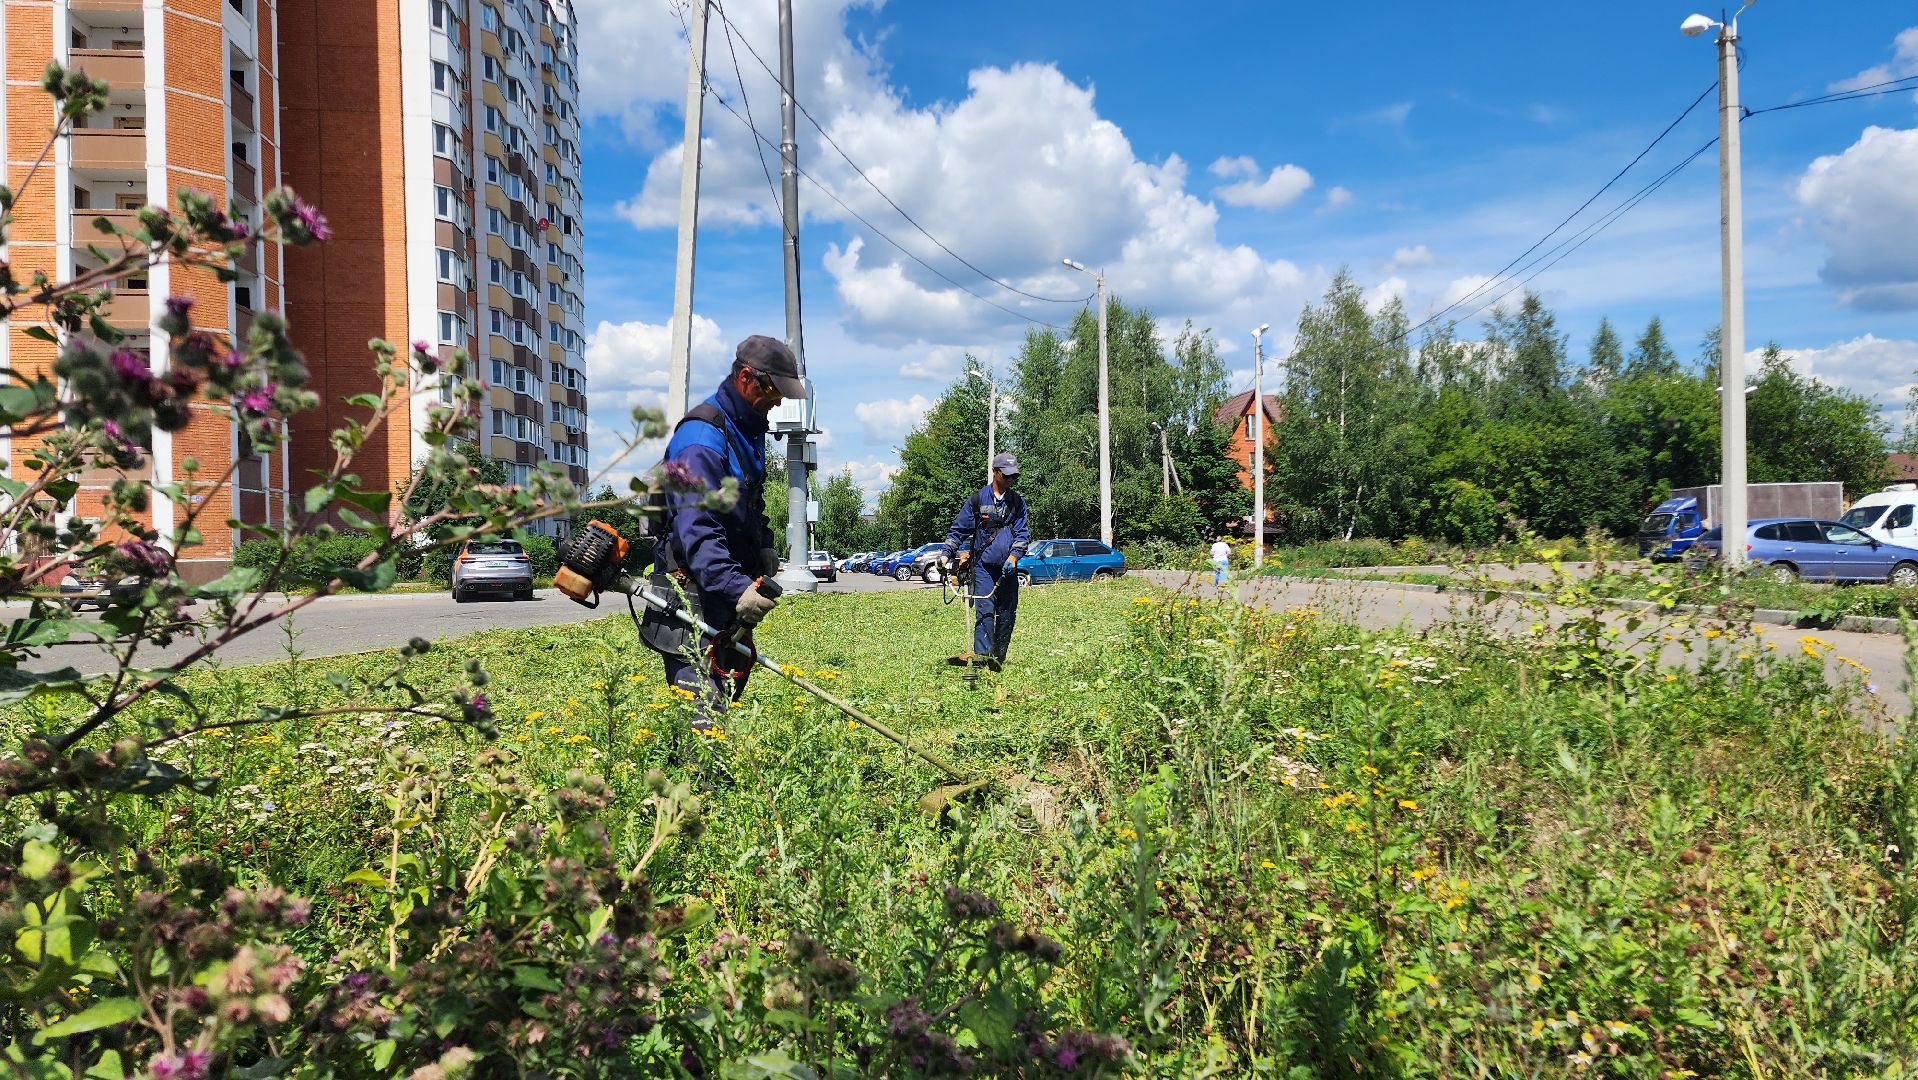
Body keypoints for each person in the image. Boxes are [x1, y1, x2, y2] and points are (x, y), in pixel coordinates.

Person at [639, 335, 805, 732]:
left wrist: (764, 544)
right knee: (703, 705)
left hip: (726, 583)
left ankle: (698, 777)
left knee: (729, 681)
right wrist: (737, 589)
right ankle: (695, 791)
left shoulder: (747, 429)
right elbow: (699, 531)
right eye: (775, 391)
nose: (779, 401)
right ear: (747, 379)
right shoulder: (701, 440)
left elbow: (752, 500)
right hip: (692, 588)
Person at [940, 453, 1030, 670]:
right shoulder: (977, 500)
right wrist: (945, 553)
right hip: (983, 568)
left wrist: (1013, 557)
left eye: (1013, 477)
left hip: (1008, 569)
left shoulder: (1017, 502)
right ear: (995, 472)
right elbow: (958, 530)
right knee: (985, 613)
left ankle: (997, 662)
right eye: (1006, 476)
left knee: (1007, 614)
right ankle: (980, 662)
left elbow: (1022, 535)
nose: (1010, 480)